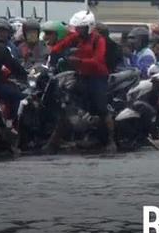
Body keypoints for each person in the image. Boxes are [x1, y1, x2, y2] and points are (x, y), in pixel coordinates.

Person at [45, 10, 116, 154]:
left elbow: (98, 60)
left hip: (97, 77)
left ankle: (111, 140)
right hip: (81, 75)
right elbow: (59, 47)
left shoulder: (98, 40)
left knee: (101, 108)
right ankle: (52, 143)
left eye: (81, 28)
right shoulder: (76, 37)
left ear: (88, 27)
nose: (78, 30)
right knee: (67, 105)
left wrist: (79, 61)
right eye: (77, 28)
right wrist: (52, 55)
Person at [0, 18, 27, 124]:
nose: (1, 33)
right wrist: (23, 75)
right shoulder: (0, 48)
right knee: (20, 96)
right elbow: (14, 66)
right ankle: (11, 123)